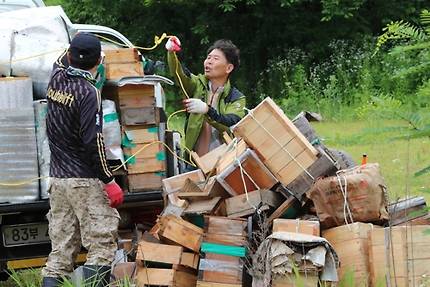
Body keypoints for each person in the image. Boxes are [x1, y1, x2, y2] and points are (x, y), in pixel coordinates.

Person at [41, 32, 124, 287]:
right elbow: (93, 141)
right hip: (84, 181)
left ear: (69, 55)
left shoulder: (55, 78)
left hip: (58, 180)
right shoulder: (89, 93)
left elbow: (61, 57)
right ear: (98, 61)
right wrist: (109, 180)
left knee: (60, 252)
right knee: (101, 245)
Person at [166, 37, 246, 157]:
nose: (209, 61)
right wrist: (172, 53)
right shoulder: (197, 85)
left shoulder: (235, 97)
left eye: (215, 58)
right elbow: (180, 74)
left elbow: (231, 125)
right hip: (193, 161)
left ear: (229, 68)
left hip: (223, 162)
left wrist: (207, 110)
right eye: (208, 57)